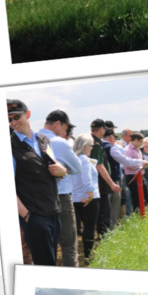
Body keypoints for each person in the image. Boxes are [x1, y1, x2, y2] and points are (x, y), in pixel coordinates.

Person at [9, 99, 68, 267]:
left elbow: (53, 166)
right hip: (34, 216)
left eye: (16, 117)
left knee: (51, 260)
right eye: (9, 119)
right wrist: (26, 215)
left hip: (53, 211)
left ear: (27, 114)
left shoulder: (43, 140)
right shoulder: (9, 146)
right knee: (45, 264)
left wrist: (62, 171)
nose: (13, 122)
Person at [37, 110, 83, 268]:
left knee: (45, 247)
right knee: (69, 245)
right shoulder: (59, 142)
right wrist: (66, 169)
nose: (67, 132)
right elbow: (77, 168)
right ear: (58, 124)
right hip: (61, 197)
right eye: (66, 128)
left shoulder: (30, 140)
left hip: (35, 199)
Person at [70, 134, 100, 263]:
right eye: (91, 145)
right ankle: (88, 256)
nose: (92, 148)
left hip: (75, 198)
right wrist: (91, 195)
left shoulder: (72, 159)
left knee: (78, 228)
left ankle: (77, 255)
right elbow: (87, 179)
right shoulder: (85, 160)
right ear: (84, 146)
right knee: (89, 227)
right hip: (88, 198)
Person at [89, 118, 120, 235]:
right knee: (104, 212)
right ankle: (104, 237)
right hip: (100, 184)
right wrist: (111, 183)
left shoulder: (89, 141)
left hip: (93, 183)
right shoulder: (96, 144)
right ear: (101, 129)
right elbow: (100, 166)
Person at [123, 133, 148, 213]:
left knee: (144, 196)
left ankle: (143, 211)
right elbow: (128, 165)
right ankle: (138, 213)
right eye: (140, 141)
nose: (141, 144)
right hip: (132, 177)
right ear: (136, 140)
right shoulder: (128, 150)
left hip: (140, 175)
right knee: (136, 197)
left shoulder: (137, 149)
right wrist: (141, 165)